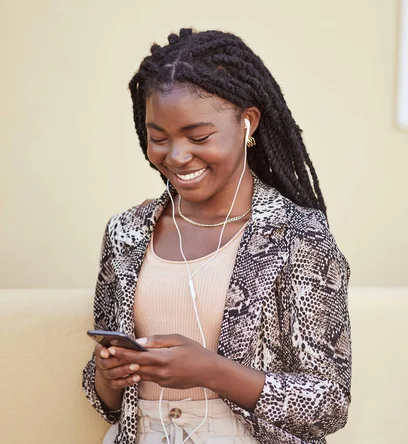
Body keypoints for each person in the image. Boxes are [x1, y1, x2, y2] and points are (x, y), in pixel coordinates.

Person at [82, 28, 351, 444]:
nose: (177, 156)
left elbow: (328, 403)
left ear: (247, 123)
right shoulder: (126, 233)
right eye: (159, 138)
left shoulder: (298, 237)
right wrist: (108, 374)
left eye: (199, 136)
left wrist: (213, 371)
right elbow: (106, 401)